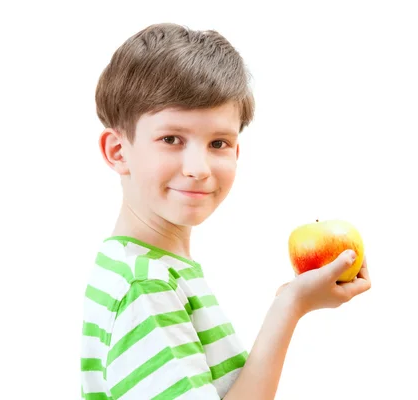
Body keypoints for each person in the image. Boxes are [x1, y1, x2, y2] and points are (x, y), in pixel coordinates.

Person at [80, 22, 371, 400]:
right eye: (171, 139)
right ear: (118, 152)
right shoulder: (145, 285)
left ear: (236, 152)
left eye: (218, 142)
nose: (198, 167)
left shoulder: (153, 268)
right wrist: (290, 306)